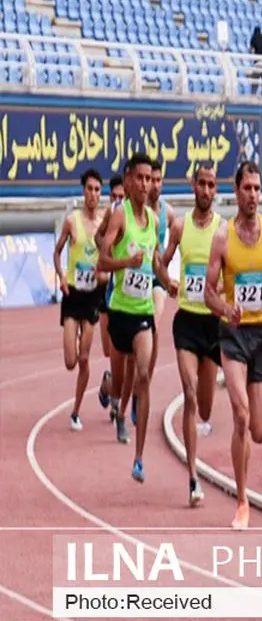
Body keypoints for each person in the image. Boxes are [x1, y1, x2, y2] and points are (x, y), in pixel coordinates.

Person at [204, 161, 262, 530]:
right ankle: (242, 500)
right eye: (247, 188)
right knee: (241, 416)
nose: (253, 195)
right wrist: (225, 307)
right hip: (233, 334)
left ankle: (243, 494)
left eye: (257, 188)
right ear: (236, 192)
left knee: (260, 430)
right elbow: (207, 292)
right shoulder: (222, 237)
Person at [97, 153, 173, 481]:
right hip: (119, 312)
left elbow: (155, 261)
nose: (145, 185)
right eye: (139, 178)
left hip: (142, 313)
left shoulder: (155, 221)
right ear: (130, 180)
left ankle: (139, 458)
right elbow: (102, 260)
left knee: (143, 373)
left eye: (149, 179)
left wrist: (167, 281)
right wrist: (124, 264)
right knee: (120, 381)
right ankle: (111, 396)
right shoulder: (120, 217)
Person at [158, 163, 223, 507]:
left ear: (216, 190)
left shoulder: (223, 230)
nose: (206, 190)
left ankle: (196, 459)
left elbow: (230, 270)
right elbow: (162, 260)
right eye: (202, 183)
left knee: (208, 409)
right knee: (190, 394)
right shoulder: (180, 227)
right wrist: (166, 279)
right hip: (186, 322)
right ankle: (193, 478)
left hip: (212, 327)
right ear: (193, 185)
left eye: (212, 185)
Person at [54, 168, 105, 431]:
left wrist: (105, 274)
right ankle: (73, 336)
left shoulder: (104, 224)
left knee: (84, 360)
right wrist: (62, 276)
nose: (93, 194)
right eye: (90, 189)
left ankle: (75, 410)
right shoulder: (72, 221)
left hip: (93, 297)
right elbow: (57, 251)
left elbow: (109, 257)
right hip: (73, 294)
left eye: (97, 189)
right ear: (83, 191)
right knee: (70, 362)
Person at [97, 173, 125, 413]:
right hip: (110, 292)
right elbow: (99, 236)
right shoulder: (110, 215)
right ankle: (109, 385)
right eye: (114, 196)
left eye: (121, 196)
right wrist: (105, 257)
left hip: (131, 295)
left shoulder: (133, 217)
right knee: (110, 352)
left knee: (130, 357)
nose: (117, 200)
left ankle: (119, 406)